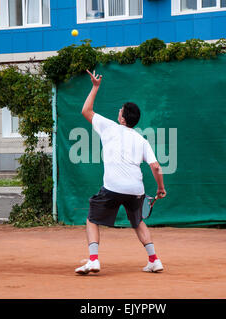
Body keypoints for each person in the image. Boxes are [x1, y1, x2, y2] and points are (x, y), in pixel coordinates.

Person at [75, 70, 167, 275]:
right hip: (136, 190)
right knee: (138, 222)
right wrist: (161, 188)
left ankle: (93, 260)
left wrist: (95, 87)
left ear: (123, 118)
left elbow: (86, 111)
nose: (118, 111)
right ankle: (154, 260)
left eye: (120, 110)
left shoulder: (110, 128)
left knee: (91, 219)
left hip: (113, 188)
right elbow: (156, 167)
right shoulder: (142, 140)